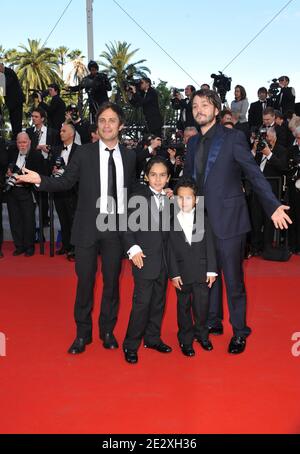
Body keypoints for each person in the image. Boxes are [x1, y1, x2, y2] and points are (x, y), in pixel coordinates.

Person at [17, 102, 137, 354]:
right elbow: (67, 181)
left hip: (115, 228)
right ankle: (83, 334)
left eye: (112, 120)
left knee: (112, 284)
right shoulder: (84, 153)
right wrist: (41, 180)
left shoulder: (129, 155)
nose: (106, 125)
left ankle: (107, 331)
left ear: (120, 125)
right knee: (85, 283)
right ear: (98, 125)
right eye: (102, 120)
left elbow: (131, 190)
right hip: (87, 228)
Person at [184, 89, 291, 354]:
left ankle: (240, 330)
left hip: (229, 221)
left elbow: (254, 175)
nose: (199, 109)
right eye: (195, 105)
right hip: (201, 221)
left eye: (205, 104)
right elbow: (188, 181)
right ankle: (213, 321)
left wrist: (273, 205)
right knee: (209, 276)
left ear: (217, 109)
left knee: (232, 279)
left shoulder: (233, 138)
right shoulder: (193, 144)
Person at [122, 156, 172, 364]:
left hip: (165, 261)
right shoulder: (137, 196)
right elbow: (124, 225)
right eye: (153, 175)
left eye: (162, 175)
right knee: (141, 303)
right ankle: (130, 344)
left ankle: (152, 338)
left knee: (159, 302)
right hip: (143, 259)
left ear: (168, 178)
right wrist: (132, 249)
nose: (158, 179)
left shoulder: (172, 199)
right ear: (146, 176)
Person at [168, 178, 217, 357]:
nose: (184, 201)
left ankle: (202, 334)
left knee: (201, 306)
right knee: (183, 307)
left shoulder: (204, 219)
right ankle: (185, 338)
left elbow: (211, 245)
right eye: (180, 198)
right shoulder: (171, 221)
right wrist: (173, 273)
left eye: (188, 198)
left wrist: (212, 270)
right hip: (181, 274)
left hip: (202, 272)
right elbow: (169, 251)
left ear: (196, 199)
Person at [6, 133, 44, 257]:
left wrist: (25, 179)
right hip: (12, 191)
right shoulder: (11, 154)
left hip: (27, 191)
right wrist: (8, 172)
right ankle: (19, 246)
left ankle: (29, 246)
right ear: (16, 143)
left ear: (29, 142)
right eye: (19, 142)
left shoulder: (36, 156)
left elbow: (40, 175)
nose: (22, 145)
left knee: (28, 220)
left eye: (24, 142)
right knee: (14, 219)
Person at [51, 123, 78, 261]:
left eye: (63, 131)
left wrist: (65, 170)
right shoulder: (56, 150)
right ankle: (66, 245)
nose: (60, 133)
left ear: (71, 134)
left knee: (73, 220)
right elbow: (51, 166)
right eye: (60, 130)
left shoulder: (79, 150)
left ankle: (74, 249)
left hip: (73, 192)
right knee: (63, 219)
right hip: (58, 190)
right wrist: (54, 170)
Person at [0, 62, 25, 140]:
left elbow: (5, 85)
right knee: (13, 121)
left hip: (16, 102)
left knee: (17, 122)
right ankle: (15, 138)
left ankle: (17, 139)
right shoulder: (3, 75)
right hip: (11, 104)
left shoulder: (9, 72)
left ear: (1, 66)